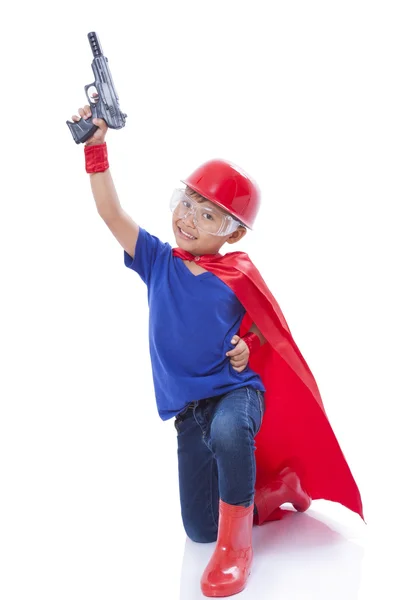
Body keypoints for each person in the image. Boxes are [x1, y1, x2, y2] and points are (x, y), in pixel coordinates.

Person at [70, 102, 363, 598]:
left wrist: (246, 350)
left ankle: (237, 552)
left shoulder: (237, 273)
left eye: (209, 215)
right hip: (190, 411)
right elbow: (109, 212)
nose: (189, 219)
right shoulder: (157, 262)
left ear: (233, 232)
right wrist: (96, 148)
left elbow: (269, 333)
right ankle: (281, 491)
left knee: (230, 432)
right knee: (200, 528)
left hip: (235, 395)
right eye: (187, 203)